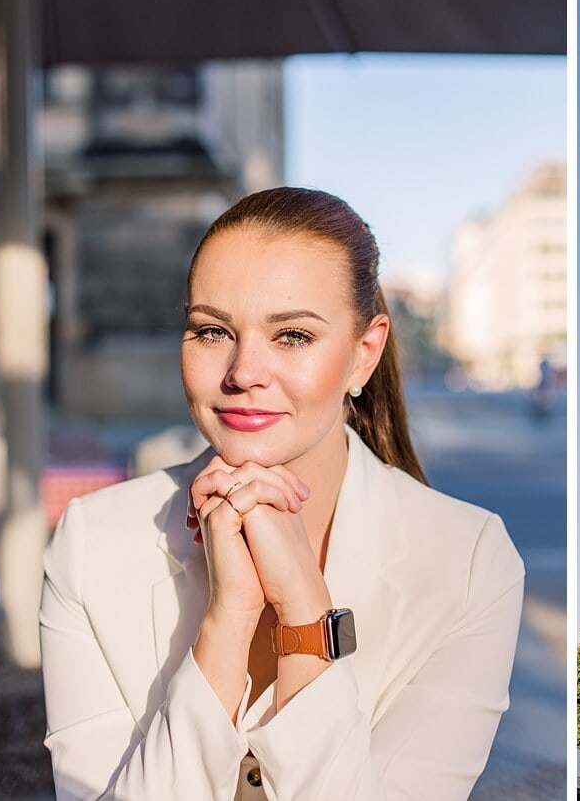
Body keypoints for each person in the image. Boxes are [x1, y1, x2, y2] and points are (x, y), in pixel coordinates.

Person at [39, 188, 525, 800]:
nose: (243, 372)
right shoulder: (90, 544)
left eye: (292, 335)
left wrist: (306, 623)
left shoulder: (470, 561)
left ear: (363, 355)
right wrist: (226, 624)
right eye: (212, 331)